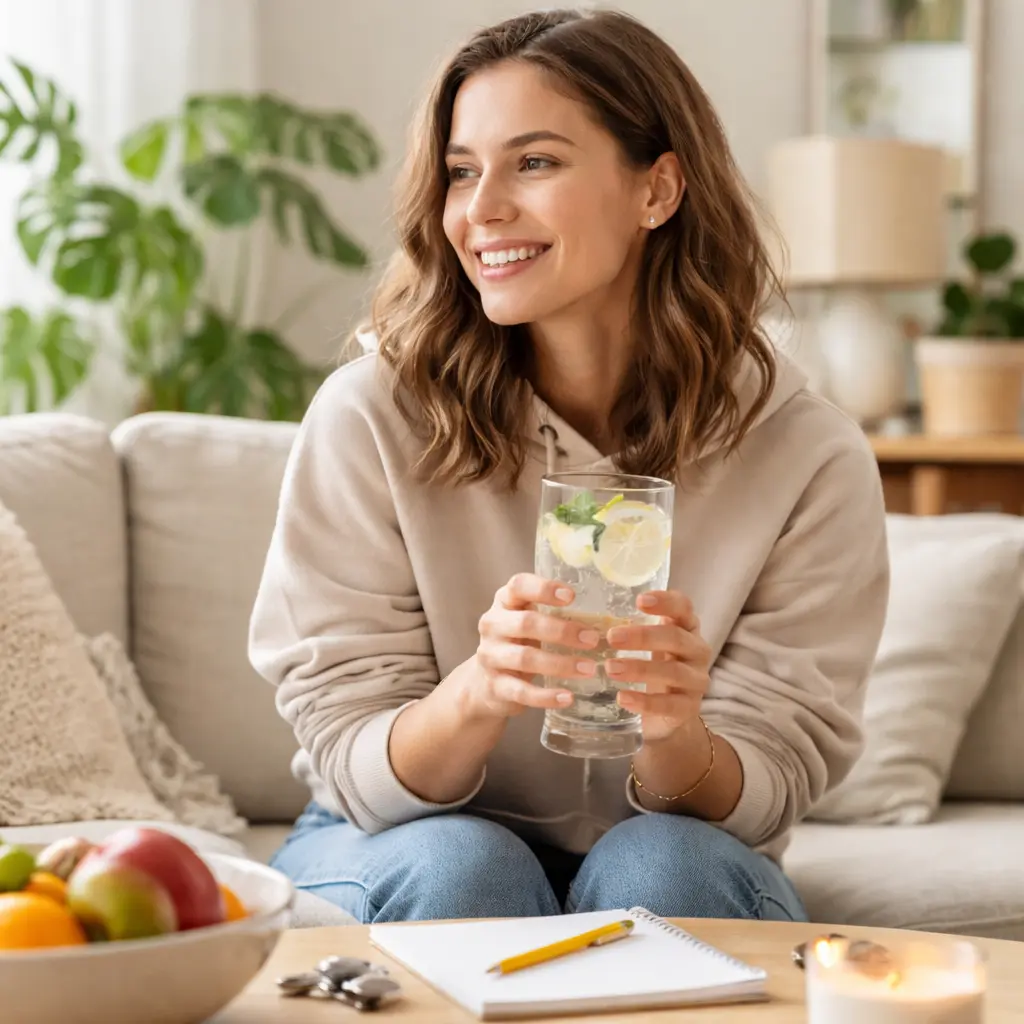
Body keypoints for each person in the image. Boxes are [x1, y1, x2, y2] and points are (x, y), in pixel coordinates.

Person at [248, 7, 889, 926]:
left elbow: (771, 786)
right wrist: (481, 690)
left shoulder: (805, 452)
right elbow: (352, 758)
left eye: (535, 162)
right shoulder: (371, 417)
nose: (482, 209)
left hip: (677, 839)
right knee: (465, 867)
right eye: (461, 172)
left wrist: (675, 729)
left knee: (667, 872)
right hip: (398, 834)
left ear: (657, 189)